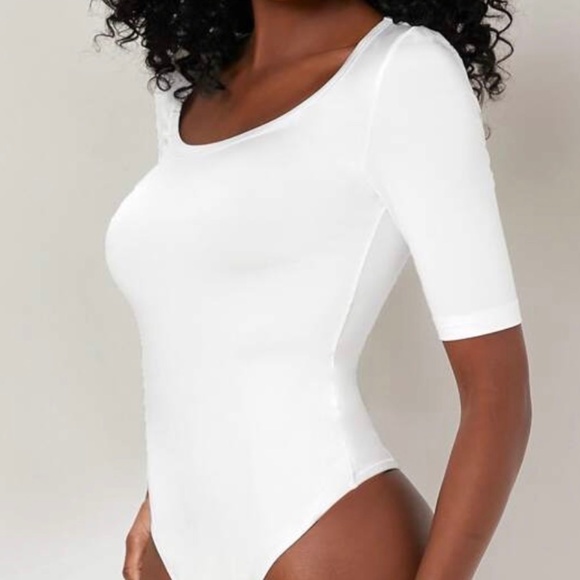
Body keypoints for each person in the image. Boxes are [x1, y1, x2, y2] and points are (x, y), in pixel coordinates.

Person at [96, 1, 531, 578]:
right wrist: (167, 500)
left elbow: (498, 394)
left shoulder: (403, 72)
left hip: (317, 532)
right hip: (174, 546)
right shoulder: (186, 87)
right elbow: (204, 325)